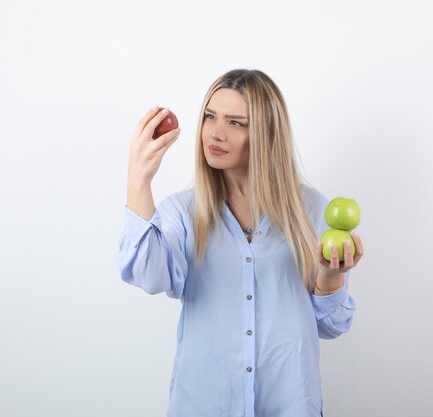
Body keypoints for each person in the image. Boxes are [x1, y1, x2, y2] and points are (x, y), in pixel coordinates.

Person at [117, 69, 364, 417]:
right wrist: (138, 179)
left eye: (236, 123)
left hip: (290, 405)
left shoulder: (313, 211)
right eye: (209, 117)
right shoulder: (183, 212)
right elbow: (149, 275)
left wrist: (329, 277)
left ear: (266, 133)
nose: (215, 133)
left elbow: (331, 325)